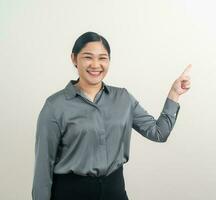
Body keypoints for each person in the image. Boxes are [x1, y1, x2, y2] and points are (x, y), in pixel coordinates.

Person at [32, 31, 192, 200]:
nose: (95, 65)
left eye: (102, 58)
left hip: (114, 191)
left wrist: (174, 94)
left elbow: (159, 133)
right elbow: (43, 167)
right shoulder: (55, 106)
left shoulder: (123, 98)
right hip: (71, 192)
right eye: (88, 57)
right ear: (74, 58)